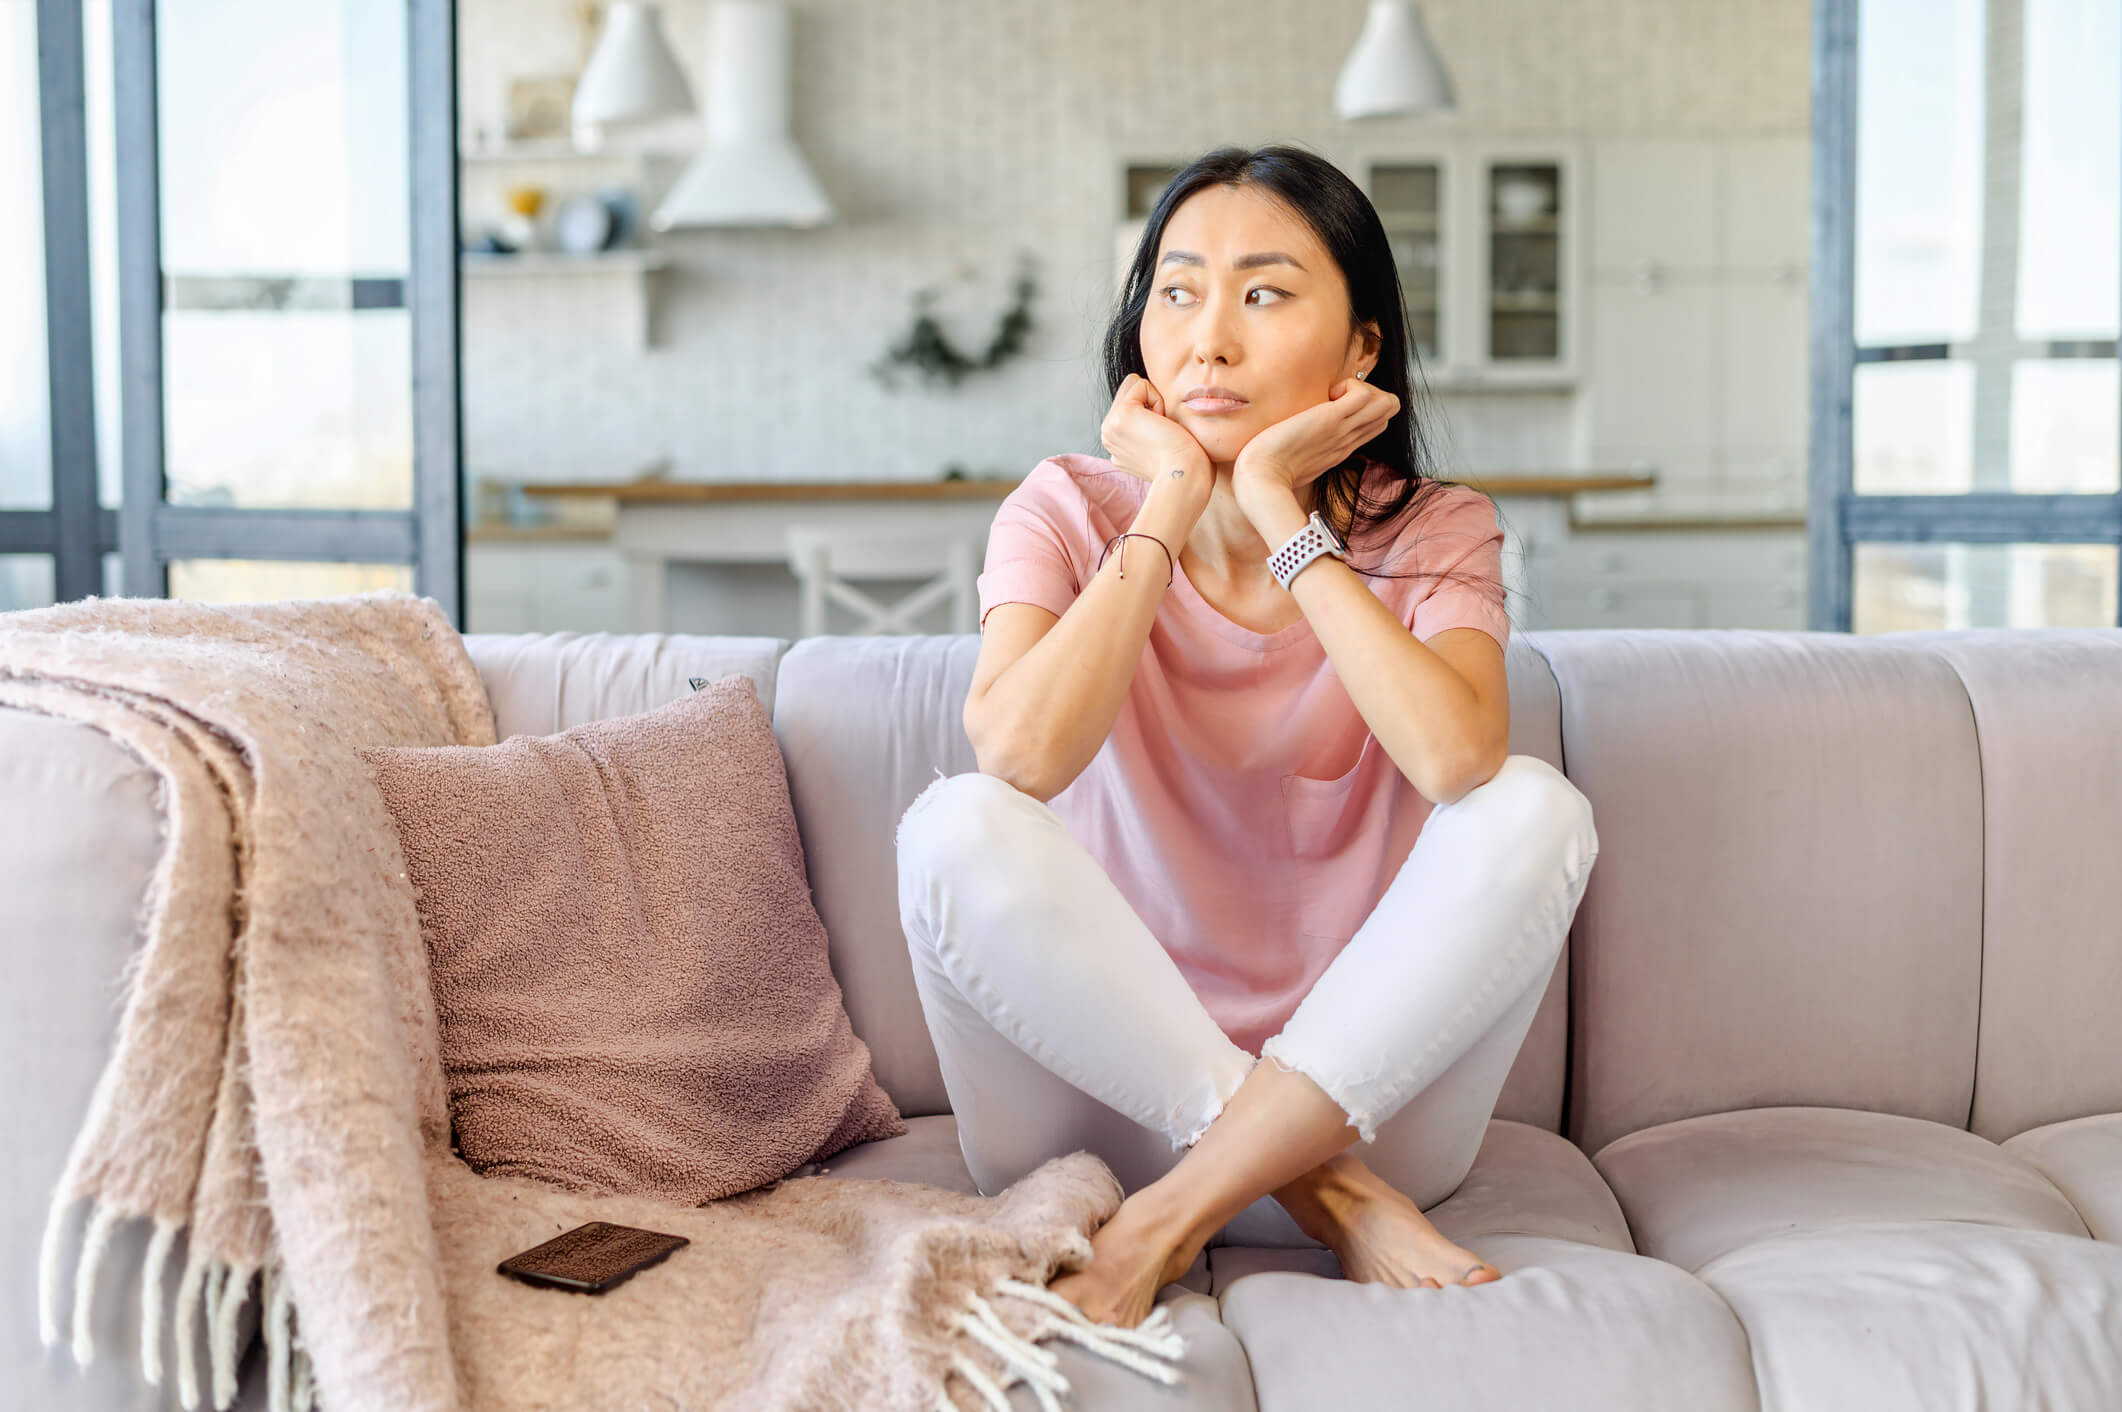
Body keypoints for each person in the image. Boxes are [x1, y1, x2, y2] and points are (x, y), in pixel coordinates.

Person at [894, 144, 1599, 1331]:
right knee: (953, 822)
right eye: (1176, 291)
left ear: (1362, 348)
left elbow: (1456, 761)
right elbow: (1017, 758)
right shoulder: (1066, 506)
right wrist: (1167, 502)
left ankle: (1168, 1225)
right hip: (1089, 1106)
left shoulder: (1436, 527)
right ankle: (1326, 1198)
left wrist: (1278, 508)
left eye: (1263, 294)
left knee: (1537, 804)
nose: (1206, 338)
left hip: (1363, 1092)